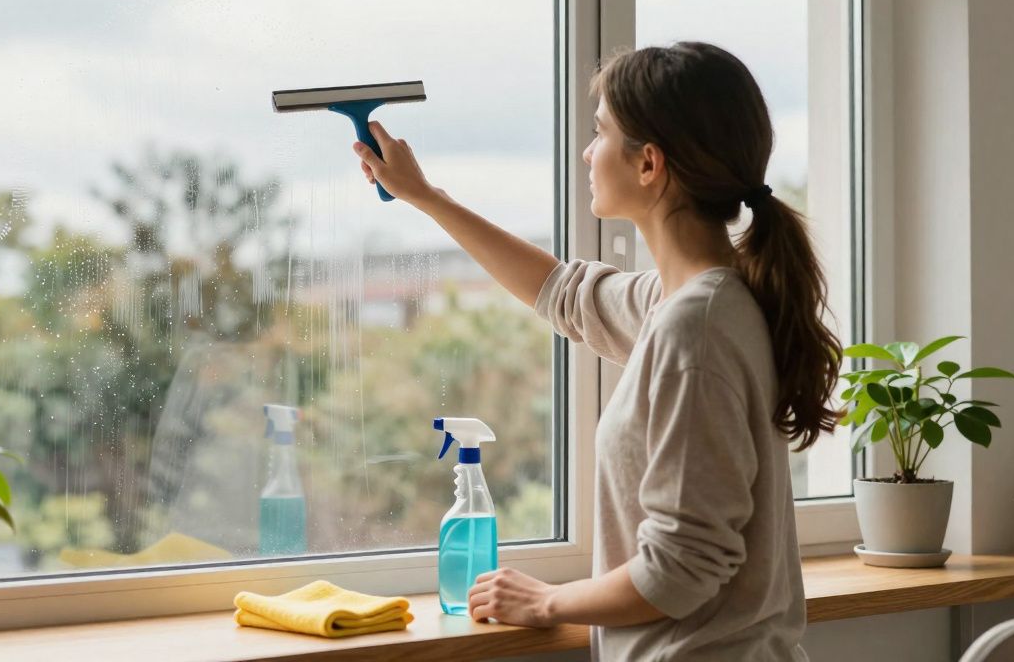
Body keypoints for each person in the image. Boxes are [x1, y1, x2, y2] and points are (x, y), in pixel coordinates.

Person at [351, 42, 841, 661]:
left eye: (601, 131)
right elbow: (564, 293)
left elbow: (682, 570)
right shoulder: (702, 301)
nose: (587, 151)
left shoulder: (698, 328)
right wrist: (426, 197)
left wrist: (546, 601)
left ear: (649, 165)